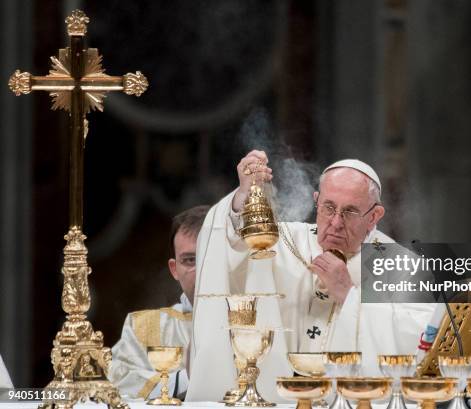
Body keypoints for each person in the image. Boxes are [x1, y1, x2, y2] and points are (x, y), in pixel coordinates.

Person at [187, 150, 435, 402]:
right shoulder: (279, 241)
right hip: (275, 400)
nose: (336, 222)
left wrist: (349, 295)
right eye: (328, 207)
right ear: (316, 201)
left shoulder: (399, 264)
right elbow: (229, 241)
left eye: (349, 212)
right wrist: (244, 196)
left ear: (374, 216)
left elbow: (421, 339)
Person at [109, 205, 208, 400]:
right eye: (189, 260)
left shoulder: (257, 324)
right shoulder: (142, 327)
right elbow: (118, 385)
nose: (201, 269)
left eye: (209, 257)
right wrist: (185, 380)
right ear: (174, 269)